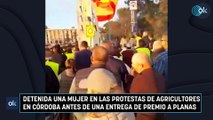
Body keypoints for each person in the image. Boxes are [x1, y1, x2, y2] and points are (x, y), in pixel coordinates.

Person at [70, 46, 120, 120]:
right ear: (107, 59)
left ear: (91, 58)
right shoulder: (114, 76)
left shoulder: (79, 74)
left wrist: (81, 117)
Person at [130, 53, 165, 120]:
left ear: (140, 65)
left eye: (133, 64)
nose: (132, 66)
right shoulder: (160, 76)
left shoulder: (140, 79)